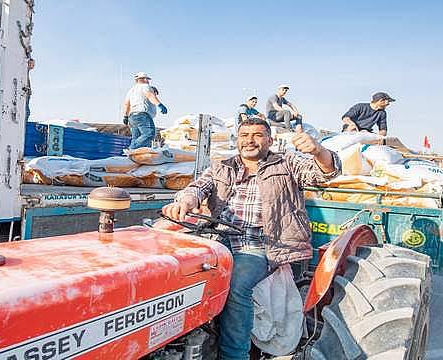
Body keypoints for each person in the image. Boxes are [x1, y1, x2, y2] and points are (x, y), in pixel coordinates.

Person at [162, 118, 341, 360]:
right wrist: (185, 200)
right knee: (174, 270)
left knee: (237, 286)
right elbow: (197, 188)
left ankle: (235, 355)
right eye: (244, 135)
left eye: (257, 135)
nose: (250, 140)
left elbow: (324, 174)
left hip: (262, 243)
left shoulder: (286, 163)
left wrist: (318, 151)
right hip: (218, 237)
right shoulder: (221, 167)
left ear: (270, 140)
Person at [122, 72, 168, 149]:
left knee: (136, 138)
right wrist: (159, 104)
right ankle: (131, 149)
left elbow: (127, 104)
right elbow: (150, 95)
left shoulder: (131, 90)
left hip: (132, 116)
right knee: (149, 133)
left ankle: (134, 155)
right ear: (141, 79)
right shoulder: (145, 86)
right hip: (142, 115)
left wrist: (125, 116)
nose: (147, 80)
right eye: (146, 79)